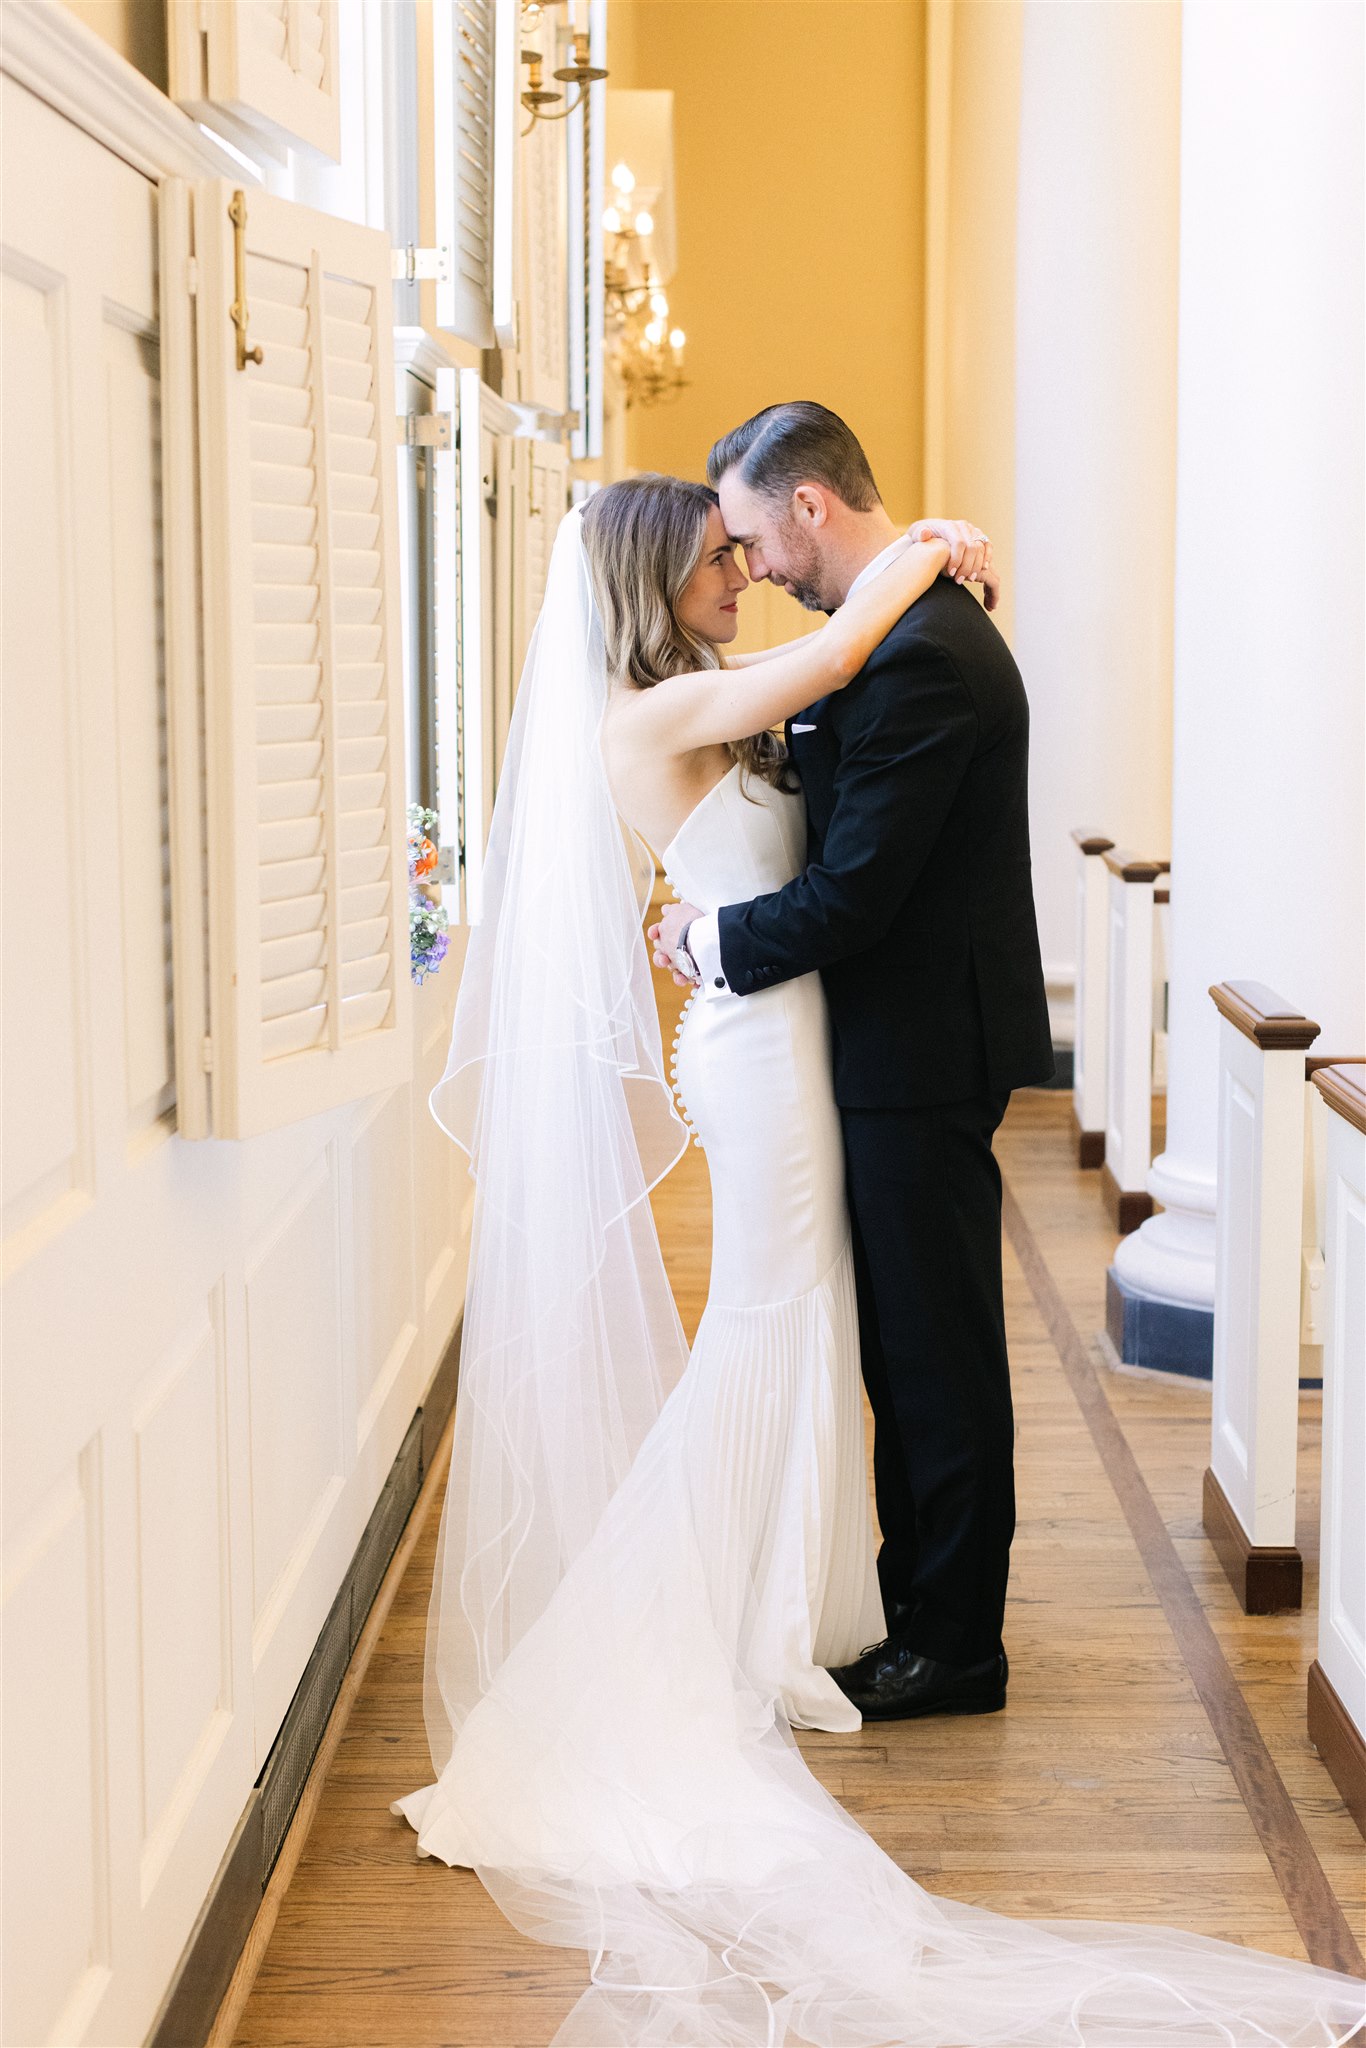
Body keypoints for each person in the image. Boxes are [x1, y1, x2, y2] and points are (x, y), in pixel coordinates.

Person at [389, 476, 1362, 2048]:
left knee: (805, 1315)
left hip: (787, 1034)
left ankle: (801, 1600)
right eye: (716, 559)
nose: (737, 577)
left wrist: (907, 558)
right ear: (655, 575)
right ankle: (750, 1616)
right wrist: (924, 546)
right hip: (763, 1053)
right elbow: (833, 663)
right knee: (775, 1315)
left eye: (742, 547)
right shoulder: (664, 711)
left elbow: (815, 721)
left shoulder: (689, 701)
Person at [652, 400, 1055, 1723]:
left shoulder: (920, 654)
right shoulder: (892, 632)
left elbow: (859, 894)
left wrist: (710, 943)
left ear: (810, 508)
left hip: (920, 1043)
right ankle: (914, 1603)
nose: (752, 565)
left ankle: (954, 1642)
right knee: (906, 1340)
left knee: (933, 1352)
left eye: (757, 536)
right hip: (892, 1039)